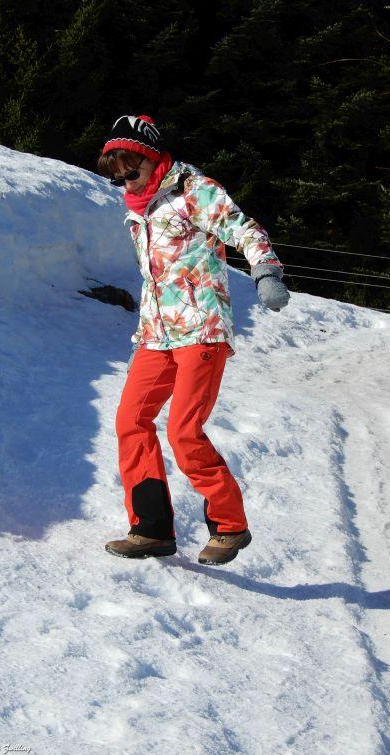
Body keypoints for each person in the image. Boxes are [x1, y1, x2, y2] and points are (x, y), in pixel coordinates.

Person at [97, 114, 290, 566]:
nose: (125, 179)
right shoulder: (138, 207)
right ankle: (151, 529)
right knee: (131, 420)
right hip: (155, 335)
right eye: (117, 173)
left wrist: (265, 270)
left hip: (202, 328)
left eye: (131, 168)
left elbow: (246, 228)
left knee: (184, 430)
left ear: (151, 158)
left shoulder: (193, 191)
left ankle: (229, 525)